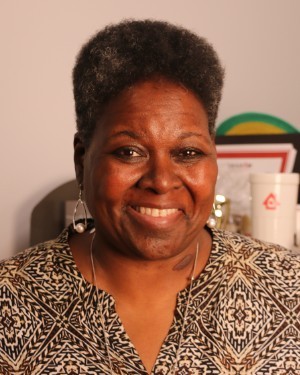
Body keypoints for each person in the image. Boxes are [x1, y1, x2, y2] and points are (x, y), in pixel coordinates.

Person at [1, 19, 299, 375]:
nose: (161, 181)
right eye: (129, 152)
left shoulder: (288, 289)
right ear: (83, 160)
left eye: (187, 153)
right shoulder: (10, 300)